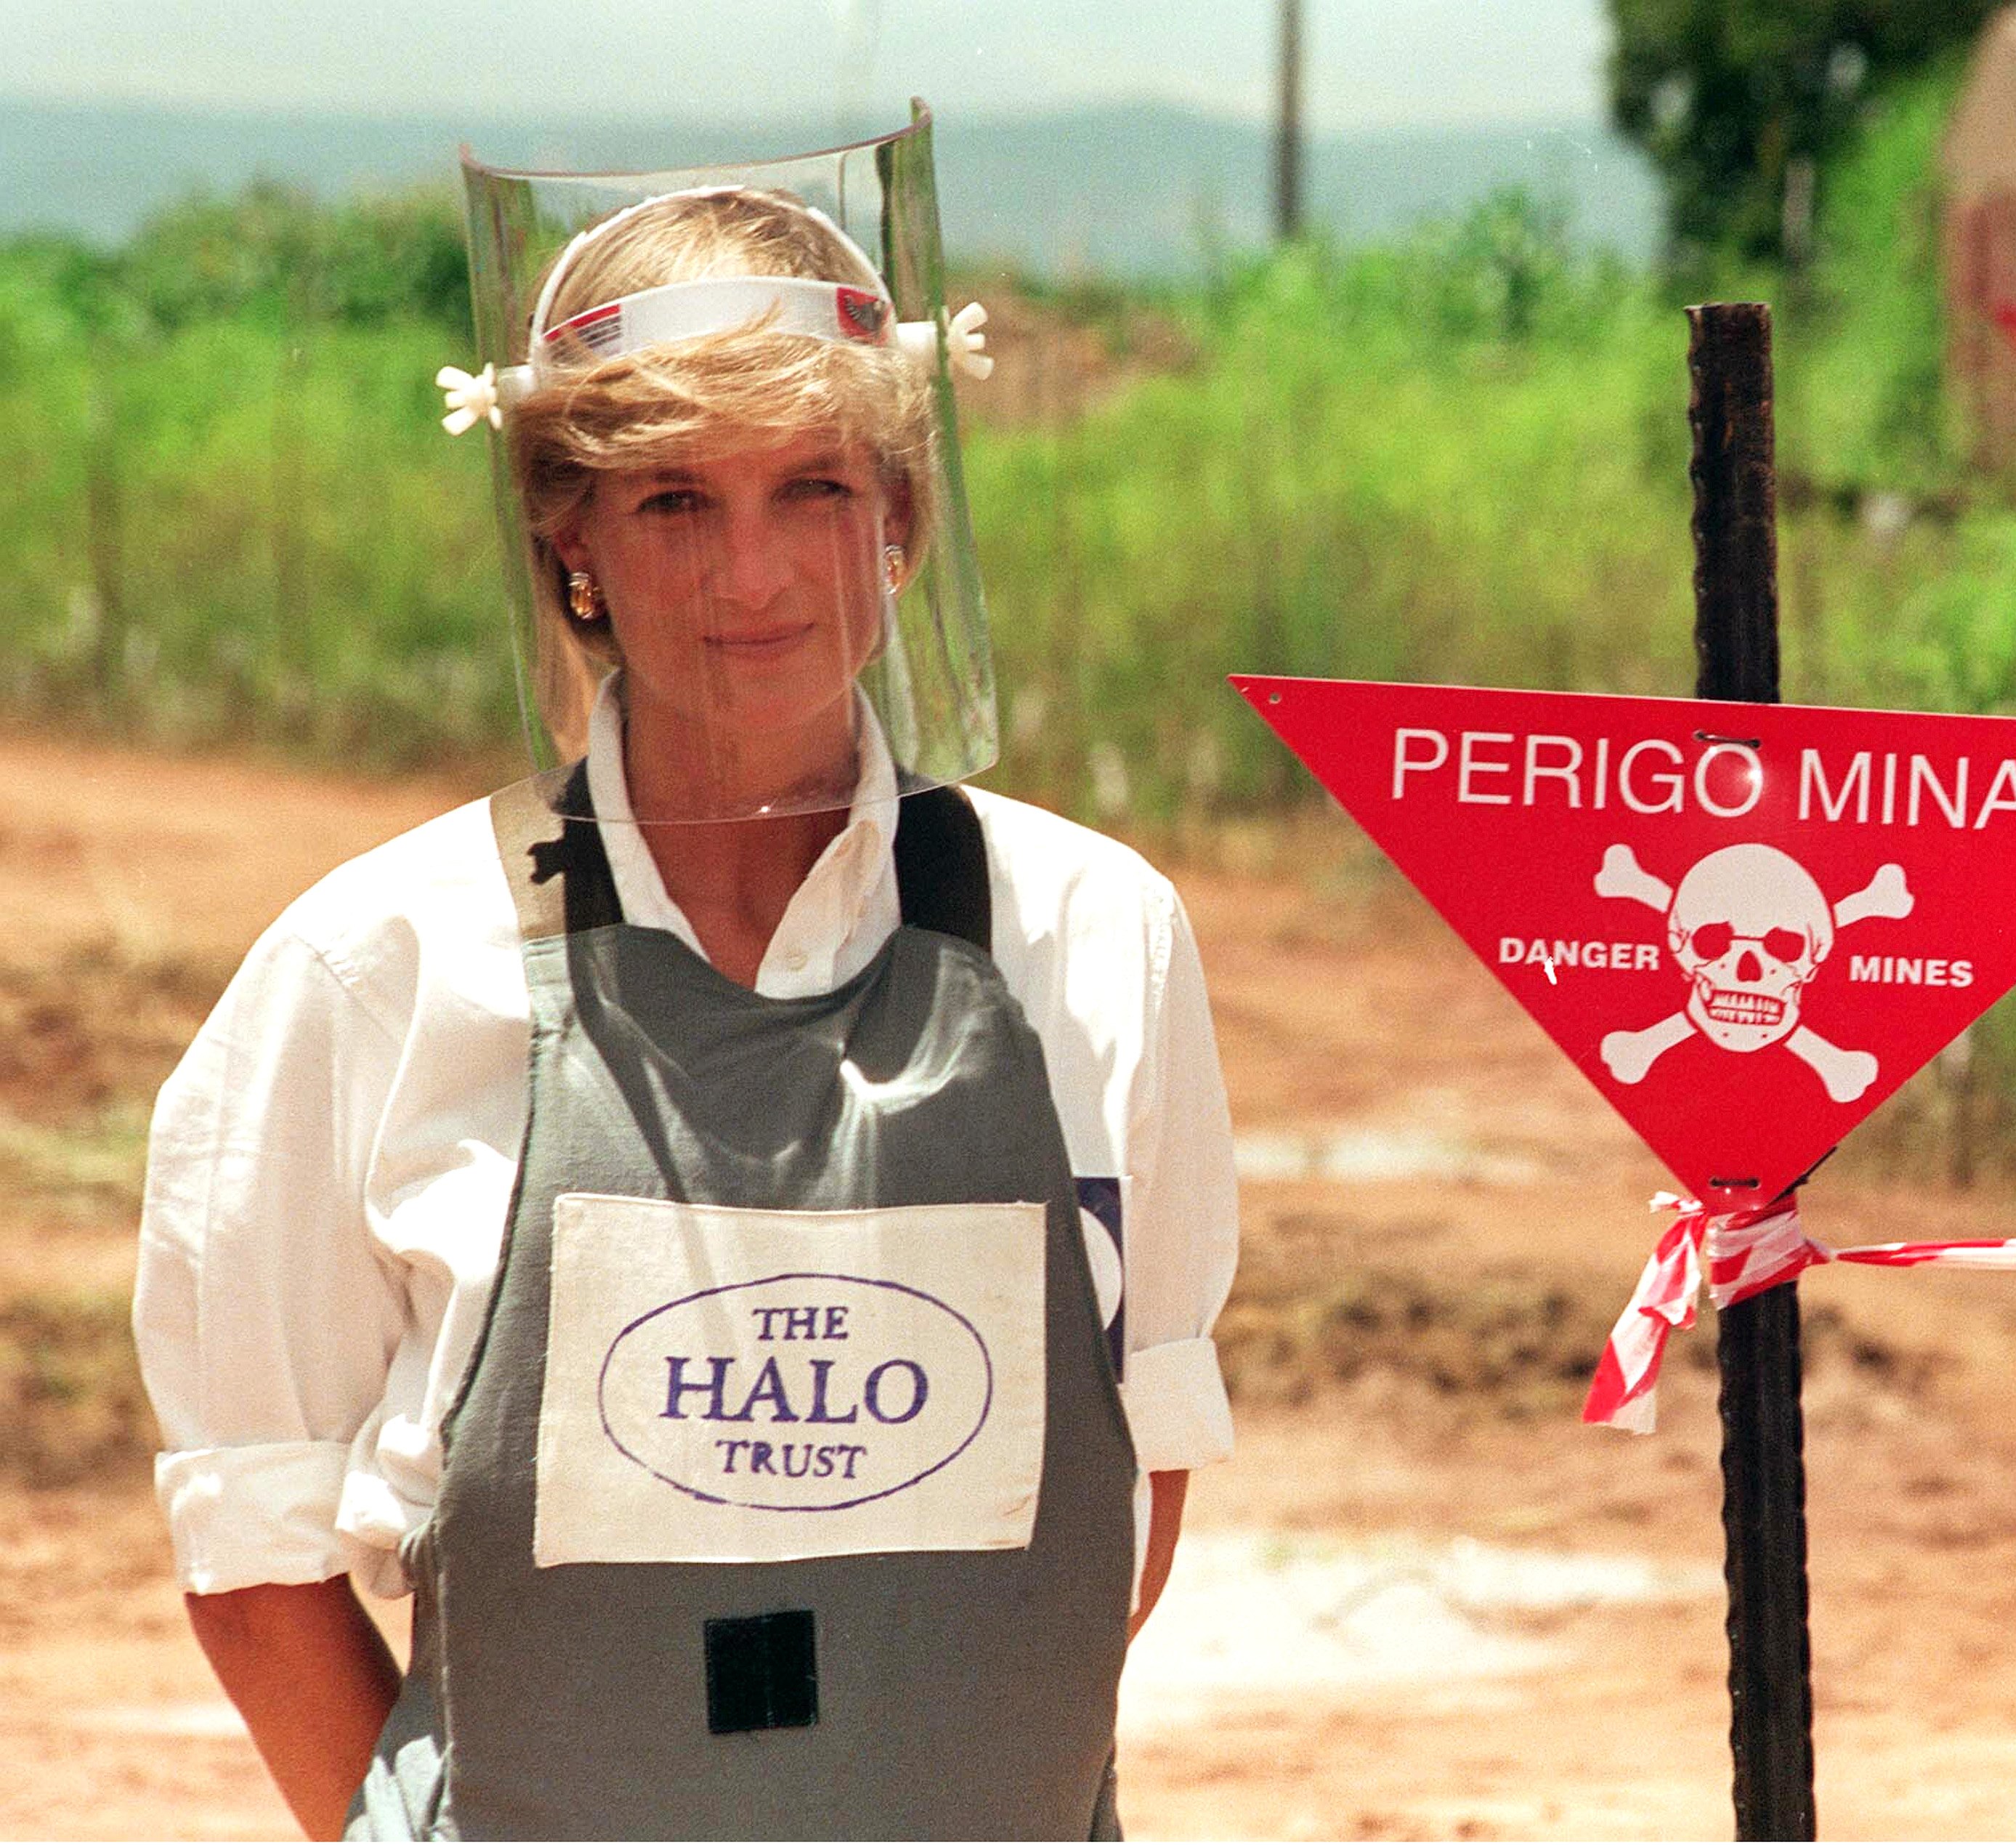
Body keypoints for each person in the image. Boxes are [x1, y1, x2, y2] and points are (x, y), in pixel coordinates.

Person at [133, 117, 1238, 1841]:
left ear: (903, 521)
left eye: (814, 485)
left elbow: (1135, 1465)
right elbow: (256, 1561)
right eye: (674, 500)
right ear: (566, 538)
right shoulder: (378, 971)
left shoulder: (1094, 934)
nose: (754, 574)